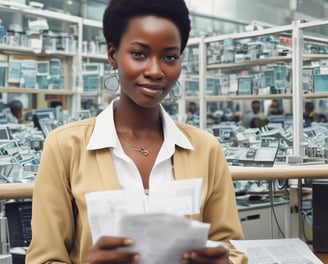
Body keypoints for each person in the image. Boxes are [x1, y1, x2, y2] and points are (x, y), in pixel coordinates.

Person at [26, 0, 247, 263]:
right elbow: (44, 259)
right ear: (112, 56)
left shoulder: (205, 149)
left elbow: (232, 248)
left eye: (169, 57)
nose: (155, 71)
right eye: (139, 54)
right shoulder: (65, 147)